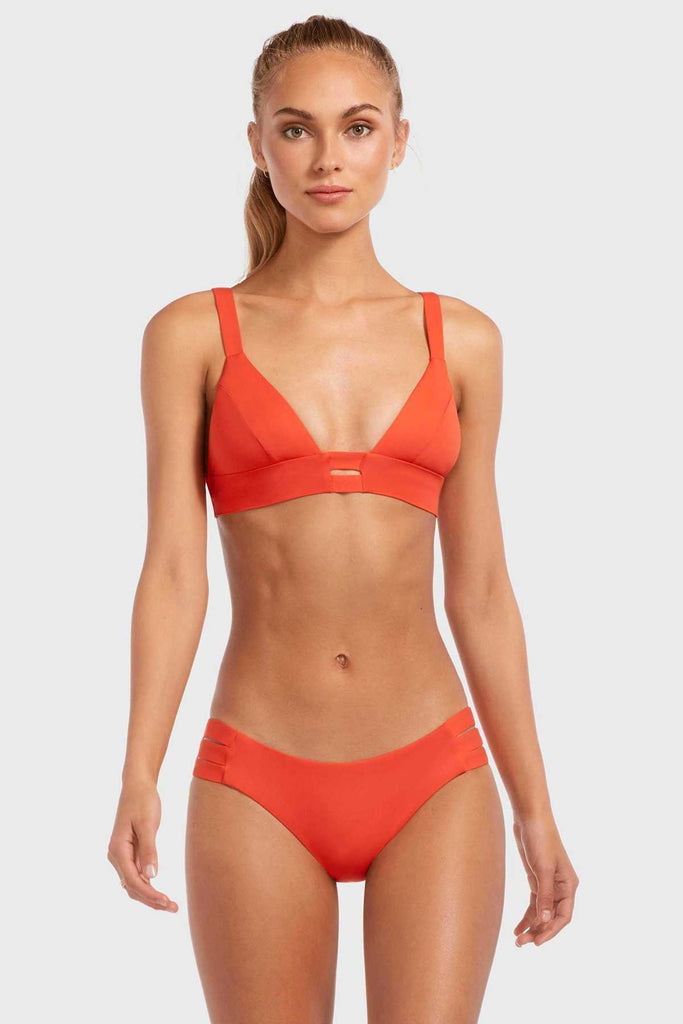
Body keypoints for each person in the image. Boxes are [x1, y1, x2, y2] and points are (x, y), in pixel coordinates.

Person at [107, 14, 579, 1022]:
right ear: (256, 143)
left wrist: (534, 807)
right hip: (256, 773)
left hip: (434, 772)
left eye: (357, 127)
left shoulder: (462, 341)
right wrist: (138, 770)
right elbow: (174, 573)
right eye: (296, 128)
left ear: (398, 141)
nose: (328, 158)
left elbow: (481, 591)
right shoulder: (192, 335)